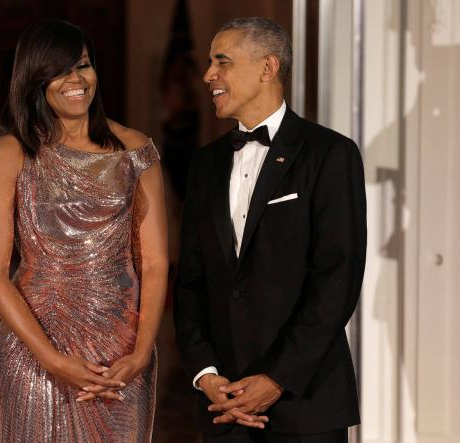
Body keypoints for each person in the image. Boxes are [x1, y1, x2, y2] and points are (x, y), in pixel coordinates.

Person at [174, 17, 366, 442]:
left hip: (306, 401)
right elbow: (190, 281)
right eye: (209, 62)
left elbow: (337, 279)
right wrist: (206, 374)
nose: (208, 75)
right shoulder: (205, 164)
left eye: (221, 62)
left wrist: (277, 379)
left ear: (267, 67)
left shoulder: (330, 154)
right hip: (224, 405)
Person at [0, 19, 168, 442]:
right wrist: (52, 360)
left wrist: (139, 354)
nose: (76, 80)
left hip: (120, 354)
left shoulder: (135, 150)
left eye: (82, 65)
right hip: (34, 350)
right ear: (35, 80)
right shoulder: (10, 154)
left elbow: (154, 262)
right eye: (60, 70)